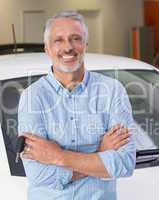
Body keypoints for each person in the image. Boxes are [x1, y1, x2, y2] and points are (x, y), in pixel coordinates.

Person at [18, 10, 136, 200]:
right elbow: (38, 175)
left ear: (85, 45)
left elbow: (124, 163)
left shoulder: (112, 90)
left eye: (75, 39)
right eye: (59, 40)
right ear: (47, 48)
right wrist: (100, 154)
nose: (68, 47)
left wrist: (58, 156)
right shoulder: (33, 97)